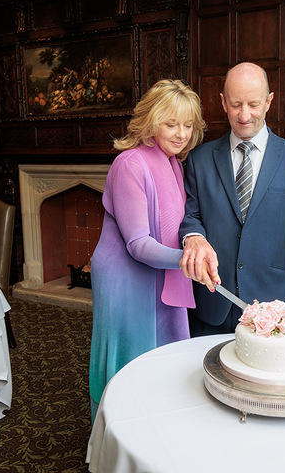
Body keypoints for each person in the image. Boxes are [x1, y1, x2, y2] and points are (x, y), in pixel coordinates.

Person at [89, 79, 206, 422]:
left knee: (161, 356)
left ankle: (154, 426)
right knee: (128, 361)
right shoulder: (130, 164)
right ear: (150, 121)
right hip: (125, 279)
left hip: (161, 271)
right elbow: (138, 243)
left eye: (187, 125)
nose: (181, 133)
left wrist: (190, 251)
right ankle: (116, 432)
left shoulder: (173, 163)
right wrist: (187, 261)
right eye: (171, 124)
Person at [178, 62, 285, 336]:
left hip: (273, 312)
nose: (244, 115)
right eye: (235, 104)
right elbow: (189, 215)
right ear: (222, 103)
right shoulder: (199, 159)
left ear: (269, 102)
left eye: (253, 104)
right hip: (210, 306)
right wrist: (193, 237)